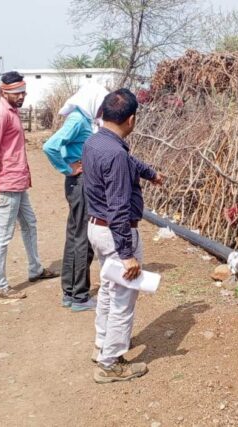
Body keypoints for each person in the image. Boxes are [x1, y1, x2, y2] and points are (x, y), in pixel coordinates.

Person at [82, 89, 165, 383]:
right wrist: (127, 253)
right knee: (122, 299)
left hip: (97, 228)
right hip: (116, 231)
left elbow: (128, 162)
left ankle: (102, 345)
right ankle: (110, 363)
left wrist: (149, 173)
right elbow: (118, 207)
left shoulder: (95, 141)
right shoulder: (116, 153)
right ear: (131, 120)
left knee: (107, 289)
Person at [0, 71, 58, 299]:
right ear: (5, 92)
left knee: (30, 224)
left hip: (19, 181)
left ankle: (35, 269)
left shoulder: (13, 111)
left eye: (23, 91)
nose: (22, 95)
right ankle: (0, 285)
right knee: (3, 235)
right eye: (17, 93)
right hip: (7, 183)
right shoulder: (0, 114)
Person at [43, 83, 108, 312]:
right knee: (83, 238)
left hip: (79, 183)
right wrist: (68, 169)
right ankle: (80, 296)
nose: (102, 111)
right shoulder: (78, 120)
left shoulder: (83, 118)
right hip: (81, 183)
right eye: (101, 106)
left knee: (74, 236)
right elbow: (50, 146)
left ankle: (70, 293)